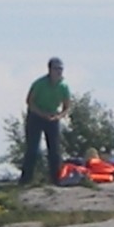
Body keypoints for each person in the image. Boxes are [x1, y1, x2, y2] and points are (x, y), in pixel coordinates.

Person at [19, 57, 72, 185]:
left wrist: (59, 116)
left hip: (52, 117)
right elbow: (30, 102)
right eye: (56, 69)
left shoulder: (64, 86)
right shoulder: (40, 83)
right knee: (33, 149)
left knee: (54, 150)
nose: (59, 72)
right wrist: (42, 114)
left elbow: (67, 106)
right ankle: (26, 180)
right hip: (36, 116)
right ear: (50, 70)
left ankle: (56, 179)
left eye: (61, 69)